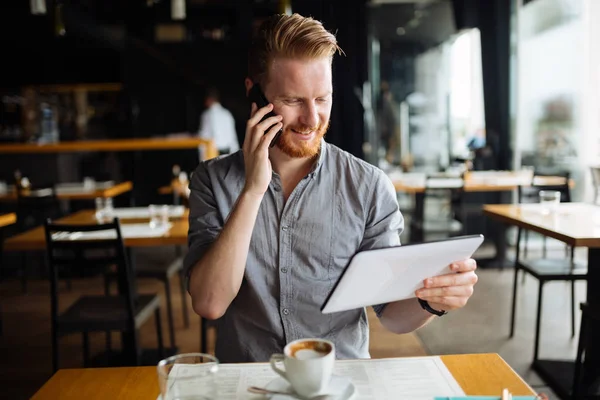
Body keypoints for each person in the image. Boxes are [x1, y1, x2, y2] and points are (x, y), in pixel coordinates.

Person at [184, 13, 478, 363]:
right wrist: (252, 191)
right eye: (293, 100)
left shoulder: (368, 187)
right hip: (250, 384)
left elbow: (392, 315)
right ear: (255, 94)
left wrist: (432, 299)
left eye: (322, 99)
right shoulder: (212, 181)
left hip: (340, 383)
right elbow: (209, 303)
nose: (312, 119)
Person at [197, 86, 240, 155]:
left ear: (208, 99)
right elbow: (233, 138)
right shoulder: (227, 114)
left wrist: (202, 159)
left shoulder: (207, 114)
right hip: (229, 154)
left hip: (213, 155)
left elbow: (204, 137)